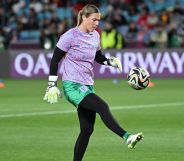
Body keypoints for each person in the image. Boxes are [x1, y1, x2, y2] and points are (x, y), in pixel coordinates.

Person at [43, 4, 143, 161]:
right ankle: (127, 137)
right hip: (73, 85)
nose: (97, 24)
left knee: (87, 129)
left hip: (87, 85)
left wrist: (110, 61)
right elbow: (55, 60)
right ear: (84, 17)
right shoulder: (70, 36)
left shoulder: (95, 35)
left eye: (99, 20)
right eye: (94, 20)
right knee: (102, 106)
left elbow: (98, 57)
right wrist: (51, 85)